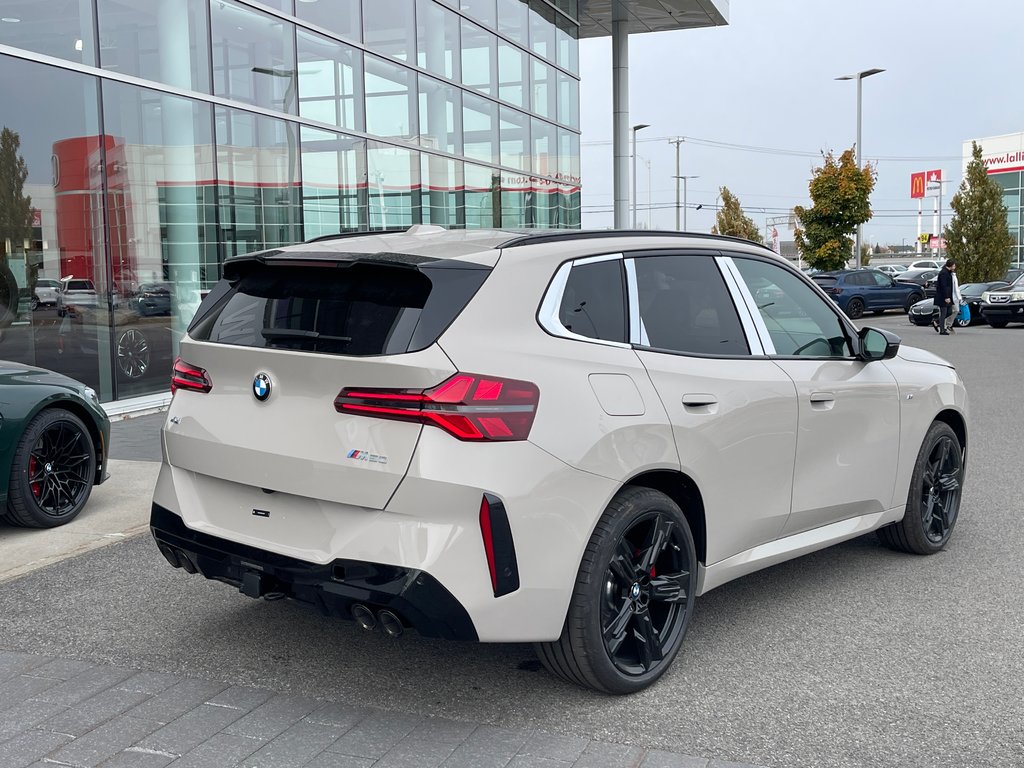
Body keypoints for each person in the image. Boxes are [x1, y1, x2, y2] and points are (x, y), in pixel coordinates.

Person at [933, 259, 956, 335]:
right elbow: (943, 286)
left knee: (949, 311)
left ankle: (937, 322)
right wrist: (946, 297)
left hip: (948, 296)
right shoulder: (943, 273)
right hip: (942, 297)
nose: (955, 267)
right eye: (954, 265)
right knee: (943, 313)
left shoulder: (948, 273)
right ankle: (942, 330)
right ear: (950, 266)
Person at [945, 266, 963, 334]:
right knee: (947, 311)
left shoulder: (954, 275)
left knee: (956, 310)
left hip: (955, 297)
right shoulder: (947, 275)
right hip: (949, 296)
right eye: (953, 266)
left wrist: (959, 297)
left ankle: (948, 324)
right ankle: (945, 325)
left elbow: (956, 288)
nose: (954, 267)